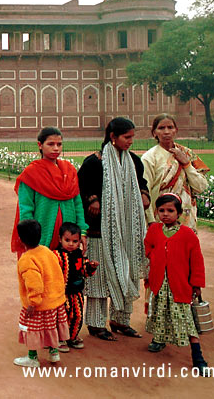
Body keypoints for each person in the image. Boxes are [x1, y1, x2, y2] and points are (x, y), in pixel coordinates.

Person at [77, 117, 150, 341]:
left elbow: (141, 183)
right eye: (126, 137)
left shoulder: (134, 162)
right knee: (99, 278)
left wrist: (144, 195)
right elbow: (80, 188)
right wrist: (92, 199)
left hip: (127, 230)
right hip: (99, 231)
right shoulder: (93, 163)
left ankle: (121, 320)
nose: (130, 141)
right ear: (113, 137)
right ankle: (96, 324)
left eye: (132, 137)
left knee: (125, 273)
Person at [144, 193, 211, 375]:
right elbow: (148, 246)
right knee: (160, 312)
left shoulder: (188, 235)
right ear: (157, 212)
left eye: (170, 210)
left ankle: (198, 357)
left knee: (186, 320)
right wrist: (154, 256)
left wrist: (196, 284)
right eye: (162, 210)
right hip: (160, 284)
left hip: (179, 287)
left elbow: (197, 261)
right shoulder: (154, 230)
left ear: (179, 213)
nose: (166, 214)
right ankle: (159, 339)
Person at [11, 127, 87, 258]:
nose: (56, 148)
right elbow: (26, 209)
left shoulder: (69, 170)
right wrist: (30, 239)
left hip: (67, 238)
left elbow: (77, 203)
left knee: (67, 273)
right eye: (51, 144)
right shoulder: (31, 173)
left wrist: (82, 231)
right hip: (42, 237)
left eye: (59, 144)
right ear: (40, 145)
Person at [14, 219, 70, 368]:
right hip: (54, 301)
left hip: (38, 304)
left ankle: (32, 358)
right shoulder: (47, 251)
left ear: (21, 239)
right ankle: (53, 353)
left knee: (32, 328)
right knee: (51, 327)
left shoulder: (26, 259)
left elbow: (34, 284)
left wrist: (32, 303)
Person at [142, 114, 209, 232]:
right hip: (160, 218)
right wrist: (151, 221)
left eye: (170, 127)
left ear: (176, 130)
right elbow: (145, 192)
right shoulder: (149, 158)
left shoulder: (187, 154)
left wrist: (187, 164)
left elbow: (201, 187)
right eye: (161, 128)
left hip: (185, 217)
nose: (166, 132)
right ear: (154, 133)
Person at [54, 222, 99, 351]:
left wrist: (91, 266)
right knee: (63, 316)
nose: (71, 244)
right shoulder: (56, 255)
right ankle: (60, 339)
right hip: (62, 294)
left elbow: (84, 272)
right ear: (60, 239)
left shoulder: (79, 255)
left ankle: (72, 337)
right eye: (67, 240)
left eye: (74, 241)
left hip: (77, 292)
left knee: (77, 315)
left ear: (80, 241)